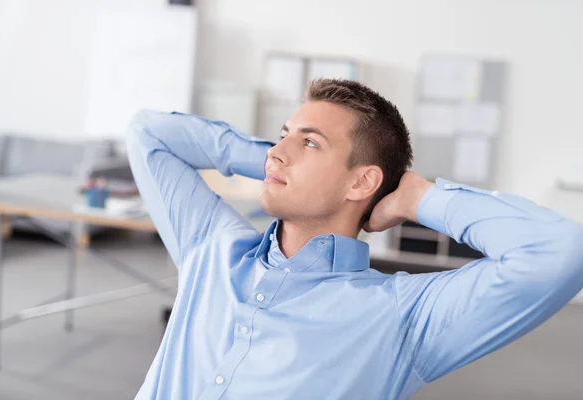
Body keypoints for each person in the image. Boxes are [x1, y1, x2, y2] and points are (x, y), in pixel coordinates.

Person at [126, 79, 583, 399]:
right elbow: (149, 134)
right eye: (282, 136)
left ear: (362, 183)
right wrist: (275, 159)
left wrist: (418, 197)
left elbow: (560, 252)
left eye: (310, 144)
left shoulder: (399, 317)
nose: (277, 152)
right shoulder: (212, 247)